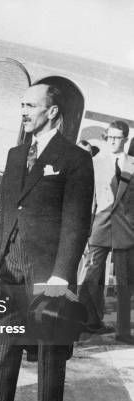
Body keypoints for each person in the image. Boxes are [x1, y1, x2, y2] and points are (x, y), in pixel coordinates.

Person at [0, 83, 94, 401]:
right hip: (11, 264)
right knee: (4, 340)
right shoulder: (16, 154)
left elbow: (77, 222)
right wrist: (1, 252)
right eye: (21, 103)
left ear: (52, 111)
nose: (23, 110)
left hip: (49, 267)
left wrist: (62, 276)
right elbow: (7, 206)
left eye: (30, 105)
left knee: (50, 343)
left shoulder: (76, 159)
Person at [78, 121, 134, 342]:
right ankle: (87, 322)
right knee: (91, 277)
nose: (111, 141)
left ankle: (122, 331)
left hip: (126, 231)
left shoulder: (132, 164)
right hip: (99, 227)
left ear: (125, 139)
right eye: (108, 136)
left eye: (116, 137)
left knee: (125, 282)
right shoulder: (95, 163)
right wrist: (84, 232)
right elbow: (88, 200)